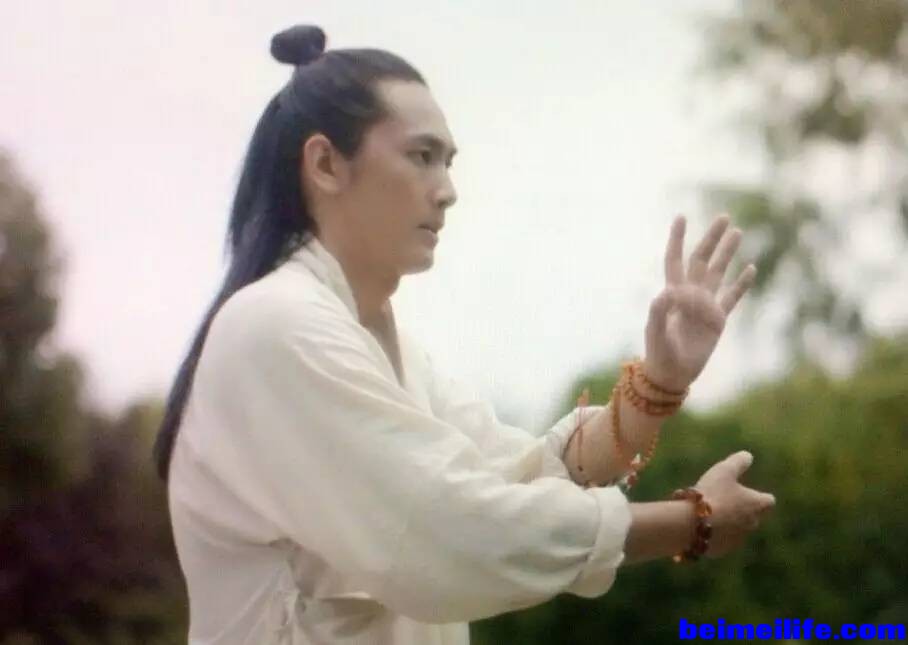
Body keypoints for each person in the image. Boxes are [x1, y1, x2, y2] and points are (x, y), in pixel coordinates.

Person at [153, 24, 776, 645]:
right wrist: (691, 521)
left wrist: (659, 383)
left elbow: (522, 480)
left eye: (447, 162)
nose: (448, 192)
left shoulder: (391, 353)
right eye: (421, 156)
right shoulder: (274, 326)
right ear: (325, 164)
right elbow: (449, 531)